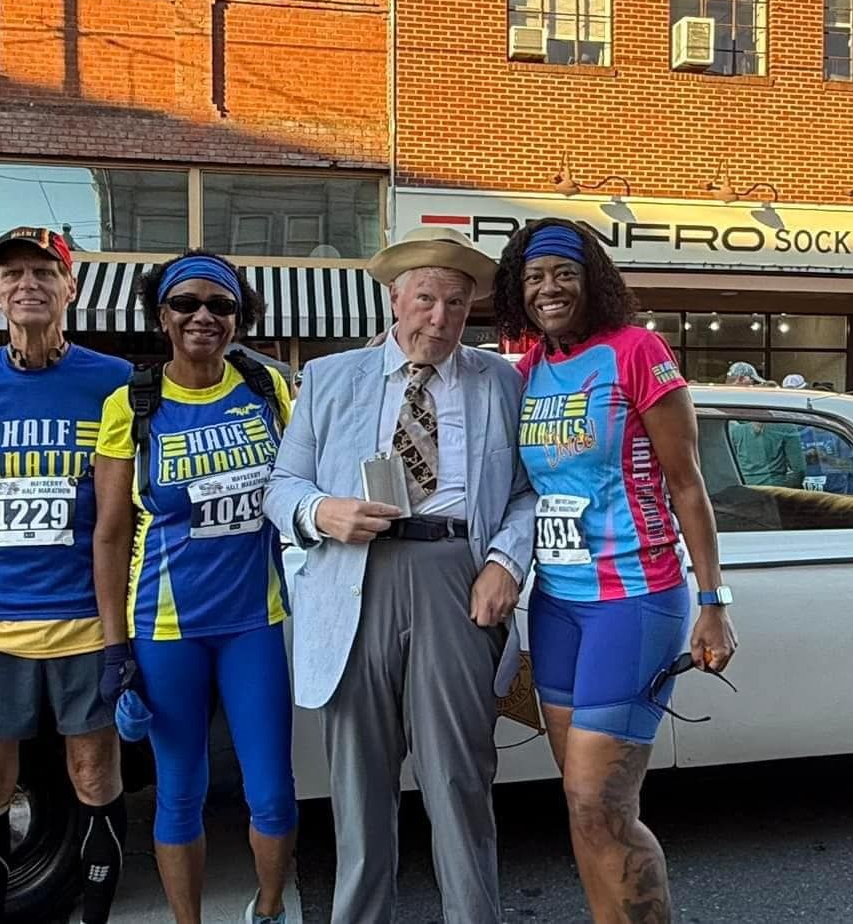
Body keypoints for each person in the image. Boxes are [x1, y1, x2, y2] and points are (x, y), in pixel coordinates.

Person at [264, 225, 534, 924]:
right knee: (358, 784)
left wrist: (506, 561)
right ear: (393, 298)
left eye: (454, 303)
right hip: (354, 576)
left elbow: (532, 492)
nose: (438, 318)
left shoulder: (501, 381)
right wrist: (323, 511)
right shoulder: (328, 378)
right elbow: (280, 485)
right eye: (424, 299)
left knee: (459, 777)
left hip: (455, 578)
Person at [495, 219, 736, 923]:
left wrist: (713, 600)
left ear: (591, 278)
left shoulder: (637, 351)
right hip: (559, 603)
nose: (549, 288)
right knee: (579, 800)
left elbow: (687, 482)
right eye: (535, 277)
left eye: (563, 273)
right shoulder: (530, 368)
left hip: (633, 599)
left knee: (605, 803)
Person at [0, 227, 132, 923]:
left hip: (86, 621)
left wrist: (122, 625)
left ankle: (95, 916)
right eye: (11, 273)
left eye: (45, 272)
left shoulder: (114, 382)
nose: (28, 284)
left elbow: (130, 511)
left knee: (94, 775)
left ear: (71, 288)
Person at [92, 252, 297, 924]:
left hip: (254, 622)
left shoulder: (267, 389)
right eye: (187, 304)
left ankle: (266, 911)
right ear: (163, 316)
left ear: (239, 316)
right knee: (181, 791)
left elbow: (303, 490)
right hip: (165, 629)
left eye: (221, 305)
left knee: (272, 794)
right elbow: (111, 535)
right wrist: (114, 650)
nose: (204, 316)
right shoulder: (133, 404)